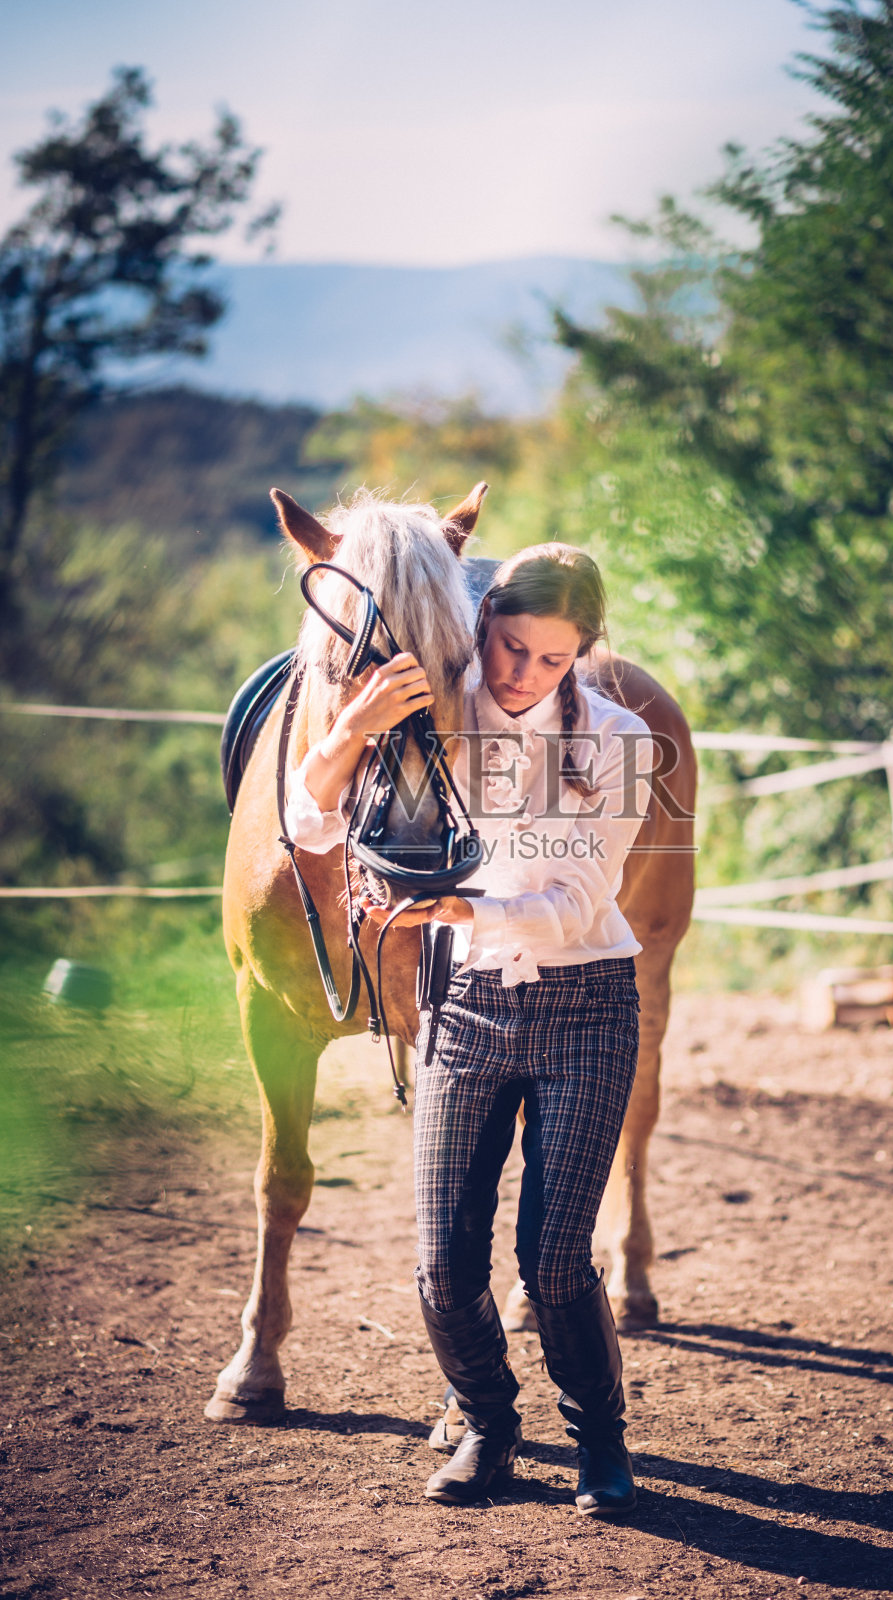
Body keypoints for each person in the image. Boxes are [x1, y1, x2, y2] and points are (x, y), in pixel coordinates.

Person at [284, 542, 651, 1515]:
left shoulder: (616, 738)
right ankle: (488, 1422)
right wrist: (352, 727)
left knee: (554, 1256)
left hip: (587, 1007)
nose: (520, 673)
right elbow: (311, 826)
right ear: (480, 623)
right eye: (508, 644)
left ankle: (601, 1439)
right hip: (467, 1008)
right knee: (444, 1263)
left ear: (580, 657)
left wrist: (463, 914)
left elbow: (580, 896)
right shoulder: (434, 719)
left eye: (551, 658)